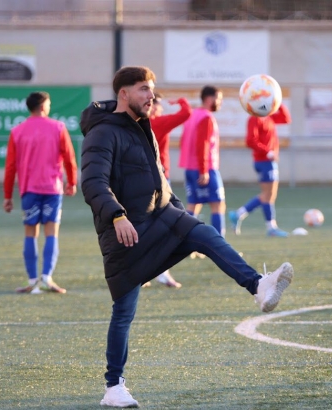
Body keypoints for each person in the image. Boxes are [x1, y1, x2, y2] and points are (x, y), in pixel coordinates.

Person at [80, 66, 294, 408]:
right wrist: (117, 215)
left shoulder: (143, 127)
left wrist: (178, 211)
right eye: (142, 90)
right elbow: (92, 183)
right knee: (124, 311)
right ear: (123, 93)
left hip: (161, 218)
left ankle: (258, 286)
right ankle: (113, 388)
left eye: (151, 89)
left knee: (204, 234)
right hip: (128, 235)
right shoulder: (102, 133)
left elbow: (159, 181)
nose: (150, 96)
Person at [3, 91, 78, 294]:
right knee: (51, 232)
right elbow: (70, 157)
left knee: (30, 233)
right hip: (52, 189)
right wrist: (72, 182)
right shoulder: (58, 127)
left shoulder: (17, 131)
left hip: (29, 189)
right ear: (44, 106)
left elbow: (10, 167)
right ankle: (46, 278)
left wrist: (8, 196)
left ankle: (32, 280)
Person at [147, 92, 192, 288]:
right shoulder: (155, 122)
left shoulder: (137, 123)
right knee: (167, 226)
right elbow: (186, 113)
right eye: (159, 104)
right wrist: (180, 101)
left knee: (144, 227)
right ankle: (161, 272)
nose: (161, 108)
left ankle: (143, 272)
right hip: (158, 179)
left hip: (141, 179)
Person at [229, 103, 291, 237]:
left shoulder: (269, 116)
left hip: (269, 161)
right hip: (263, 161)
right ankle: (269, 227)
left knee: (268, 195)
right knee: (268, 195)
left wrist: (278, 102)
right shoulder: (255, 118)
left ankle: (241, 215)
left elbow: (286, 119)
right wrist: (268, 152)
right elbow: (250, 140)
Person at [178, 85, 226, 237]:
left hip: (190, 168)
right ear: (209, 99)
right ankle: (221, 244)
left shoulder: (192, 115)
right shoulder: (206, 117)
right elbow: (203, 144)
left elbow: (182, 141)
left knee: (193, 205)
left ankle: (186, 242)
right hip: (205, 168)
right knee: (218, 205)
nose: (220, 103)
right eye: (218, 99)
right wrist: (204, 170)